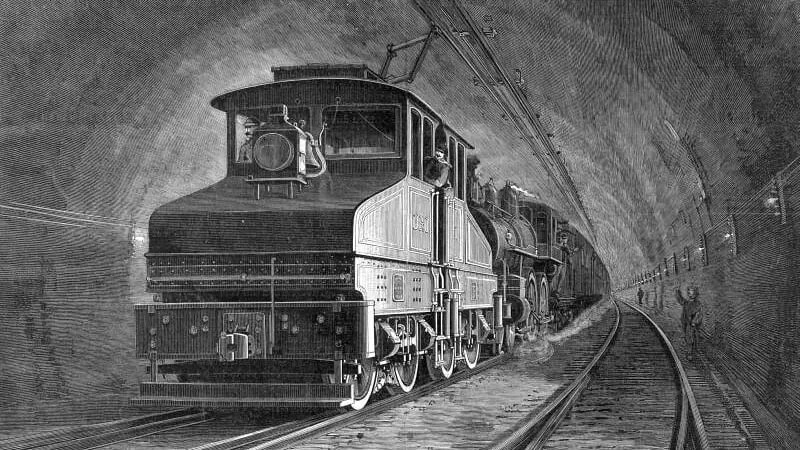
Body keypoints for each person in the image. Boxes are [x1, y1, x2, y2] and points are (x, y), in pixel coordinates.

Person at [675, 285, 703, 360]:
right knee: (687, 337)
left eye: (692, 293)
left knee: (690, 337)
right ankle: (692, 351)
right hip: (685, 322)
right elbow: (680, 300)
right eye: (689, 293)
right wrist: (677, 291)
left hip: (691, 324)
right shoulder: (686, 302)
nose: (690, 295)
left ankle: (690, 353)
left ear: (695, 294)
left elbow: (698, 314)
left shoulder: (698, 304)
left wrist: (694, 322)